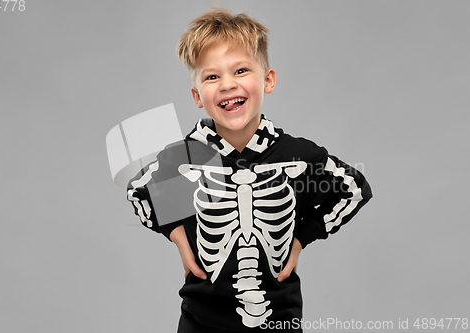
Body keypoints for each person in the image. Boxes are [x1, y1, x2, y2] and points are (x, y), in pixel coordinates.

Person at [127, 8, 372, 333]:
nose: (227, 85)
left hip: (280, 321)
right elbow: (140, 192)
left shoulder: (295, 156)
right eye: (212, 77)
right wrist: (179, 239)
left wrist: (302, 238)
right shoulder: (186, 157)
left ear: (267, 80)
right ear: (198, 96)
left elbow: (354, 189)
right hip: (201, 321)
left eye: (241, 71)